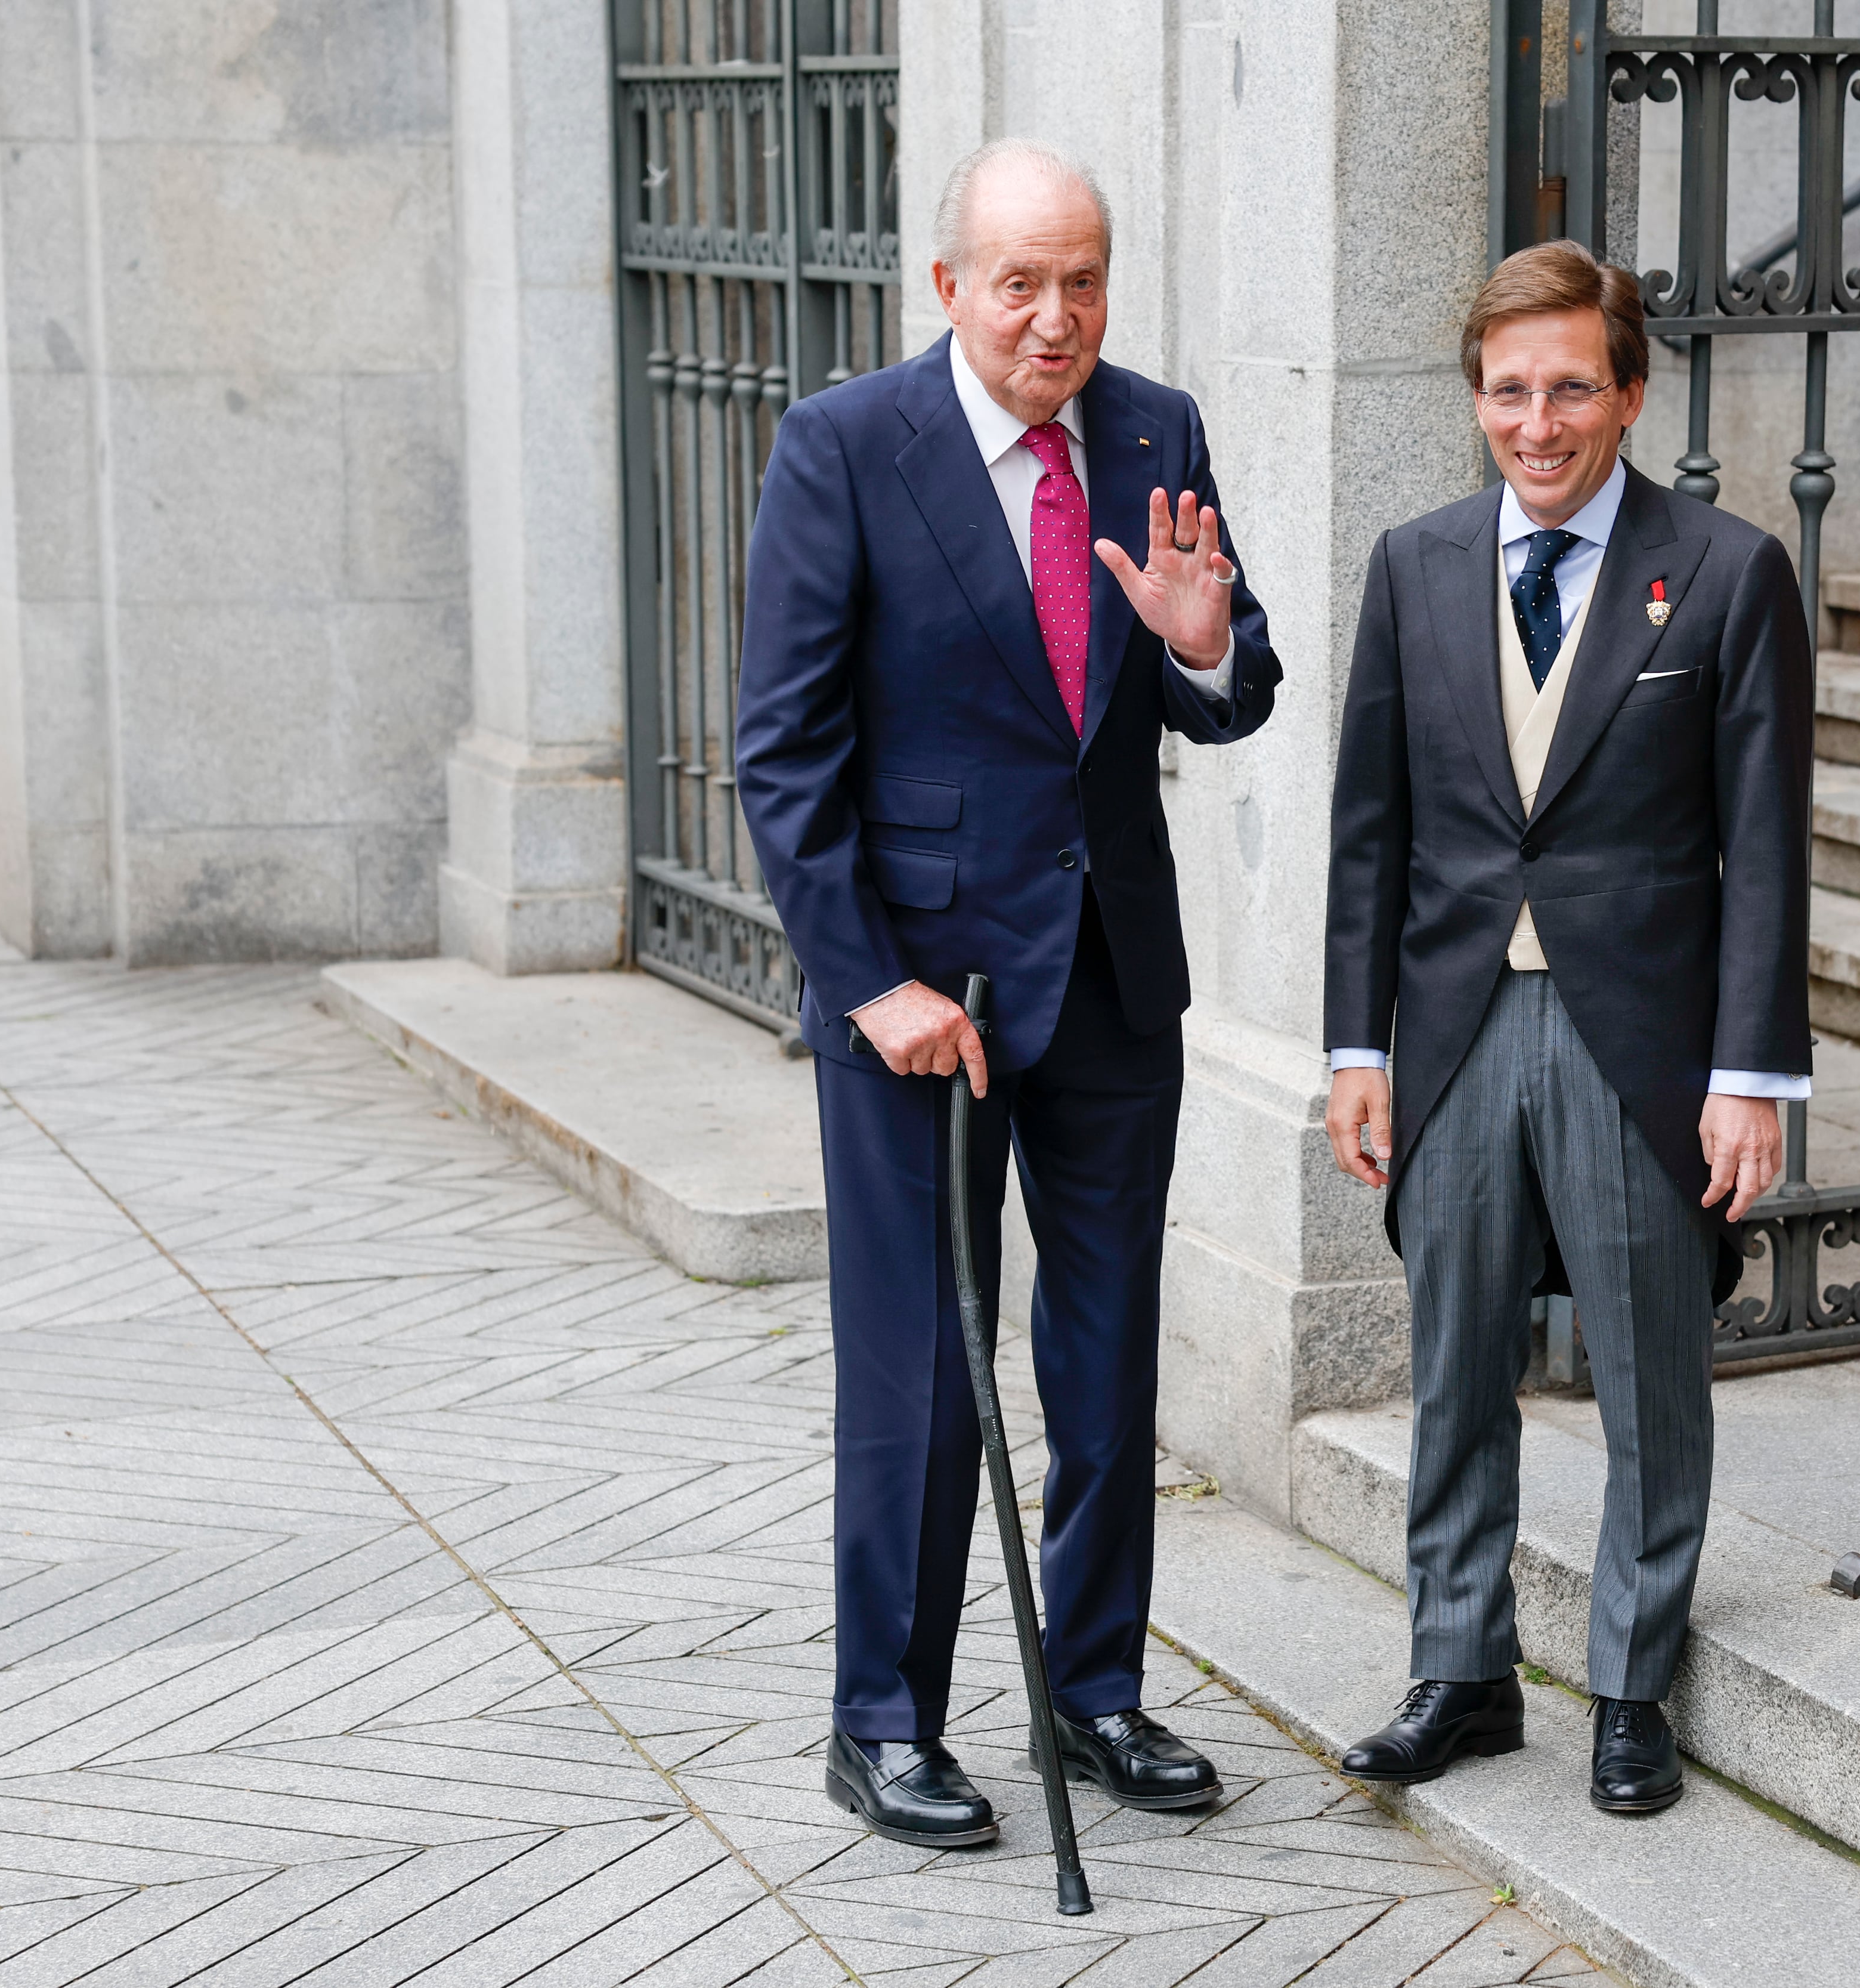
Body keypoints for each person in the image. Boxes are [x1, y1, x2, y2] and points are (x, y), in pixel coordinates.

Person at [736, 140, 1280, 1848]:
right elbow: (785, 753)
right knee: (918, 1362)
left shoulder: (1153, 428)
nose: (1059, 316)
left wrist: (1204, 644)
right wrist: (866, 980)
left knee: (1109, 1358)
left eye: (1088, 278)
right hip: (926, 994)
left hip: (1112, 969)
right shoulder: (843, 449)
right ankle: (882, 1715)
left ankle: (1095, 1685)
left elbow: (1231, 677)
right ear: (950, 285)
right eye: (1023, 281)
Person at [1320, 240, 1813, 1816]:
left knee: (1648, 1372)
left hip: (1637, 1037)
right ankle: (1460, 1670)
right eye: (1512, 391)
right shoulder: (1413, 564)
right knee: (1455, 1358)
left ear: (1631, 390)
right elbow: (1369, 834)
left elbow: (1766, 848)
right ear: (1477, 401)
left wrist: (1750, 1077)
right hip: (1457, 1025)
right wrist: (1356, 1043)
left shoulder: (1728, 573)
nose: (1542, 423)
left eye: (1573, 388)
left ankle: (1629, 1682)